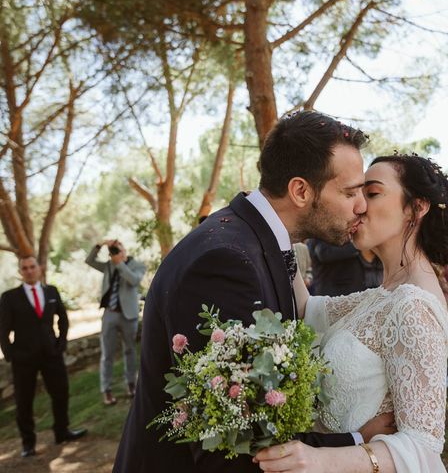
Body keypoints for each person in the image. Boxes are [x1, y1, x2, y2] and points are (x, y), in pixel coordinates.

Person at [113, 111, 393, 472]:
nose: (361, 205)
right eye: (350, 192)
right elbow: (237, 435)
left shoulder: (249, 242)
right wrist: (356, 441)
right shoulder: (224, 263)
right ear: (301, 191)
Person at [254, 154, 448, 473]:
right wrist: (280, 225)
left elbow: (423, 445)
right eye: (355, 194)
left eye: (373, 193)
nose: (359, 206)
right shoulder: (383, 294)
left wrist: (319, 459)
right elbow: (308, 310)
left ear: (417, 208)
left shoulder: (413, 305)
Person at [0, 256, 87, 458]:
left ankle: (62, 432)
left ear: (39, 268)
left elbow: (63, 320)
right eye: (25, 268)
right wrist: (11, 355)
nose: (29, 270)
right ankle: (28, 443)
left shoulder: (51, 291)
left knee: (61, 393)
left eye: (32, 267)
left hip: (52, 355)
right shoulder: (9, 297)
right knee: (24, 401)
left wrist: (60, 344)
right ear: (20, 271)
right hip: (24, 359)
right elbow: (3, 330)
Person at [86, 240, 146, 405]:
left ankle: (131, 384)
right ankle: (106, 390)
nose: (115, 251)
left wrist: (120, 264)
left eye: (118, 247)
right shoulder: (107, 266)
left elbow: (134, 281)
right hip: (110, 314)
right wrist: (99, 245)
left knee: (130, 351)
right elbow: (89, 261)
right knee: (107, 354)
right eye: (113, 249)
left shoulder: (138, 265)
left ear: (124, 248)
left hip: (129, 315)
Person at [308, 239, 383, 296]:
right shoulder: (324, 230)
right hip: (335, 292)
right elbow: (323, 252)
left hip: (360, 289)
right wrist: (360, 244)